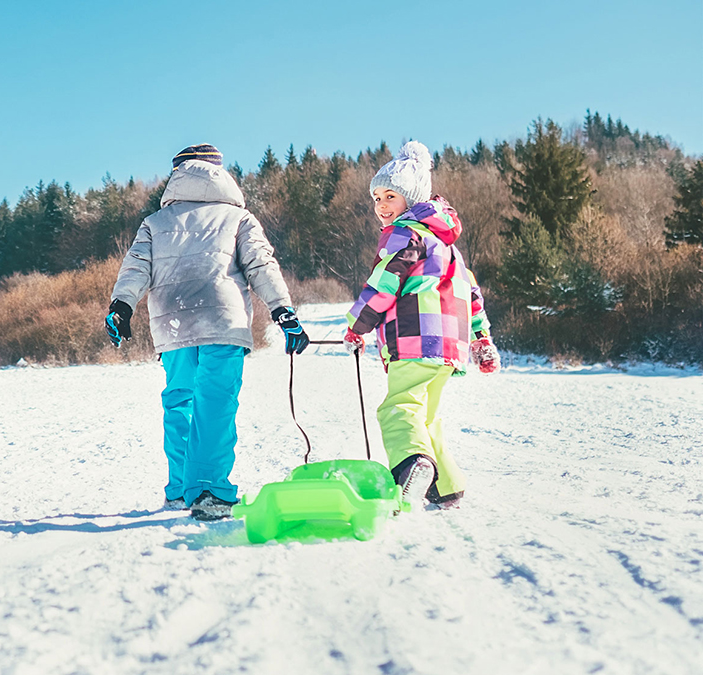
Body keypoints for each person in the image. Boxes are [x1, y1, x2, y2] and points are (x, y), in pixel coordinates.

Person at [105, 144, 310, 521]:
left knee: (180, 399)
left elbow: (135, 268)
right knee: (215, 401)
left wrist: (121, 305)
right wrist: (283, 310)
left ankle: (182, 487)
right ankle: (209, 490)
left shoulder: (155, 223)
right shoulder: (238, 218)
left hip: (173, 321)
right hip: (222, 321)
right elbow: (261, 265)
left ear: (177, 175)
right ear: (220, 174)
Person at [343, 141, 499, 509]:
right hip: (448, 349)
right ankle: (447, 488)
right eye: (376, 197)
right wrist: (481, 339)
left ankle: (413, 467)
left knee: (398, 408)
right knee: (426, 417)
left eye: (390, 197)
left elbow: (384, 283)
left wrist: (357, 326)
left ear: (411, 201)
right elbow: (471, 293)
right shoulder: (449, 248)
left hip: (414, 339)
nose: (381, 206)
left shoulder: (406, 234)